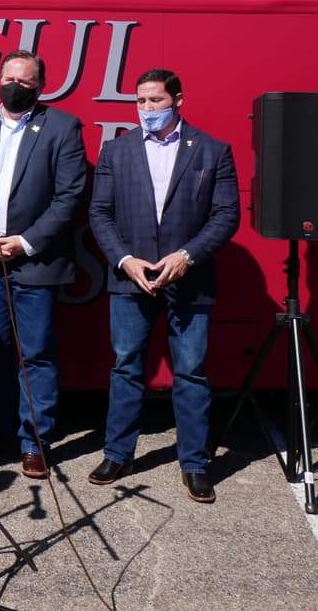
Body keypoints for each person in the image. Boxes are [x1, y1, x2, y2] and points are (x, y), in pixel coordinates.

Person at [86, 68, 239, 504]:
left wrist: (187, 256)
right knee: (127, 365)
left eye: (156, 100)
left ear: (177, 100)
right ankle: (118, 453)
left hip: (188, 279)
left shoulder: (212, 151)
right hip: (131, 278)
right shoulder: (117, 152)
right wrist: (125, 259)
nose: (148, 109)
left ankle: (194, 464)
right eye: (141, 101)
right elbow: (100, 213)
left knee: (190, 371)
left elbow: (227, 215)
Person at [0, 49, 86, 479]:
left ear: (41, 87)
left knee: (37, 356)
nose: (15, 87)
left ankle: (35, 443)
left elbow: (70, 198)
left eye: (25, 82)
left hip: (34, 264)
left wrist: (24, 243)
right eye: (9, 78)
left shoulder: (62, 127)